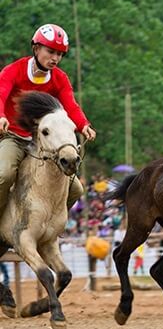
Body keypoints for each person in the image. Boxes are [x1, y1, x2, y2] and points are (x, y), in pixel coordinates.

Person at [0, 24, 96, 213]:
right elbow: (0, 94)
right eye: (51, 51)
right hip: (14, 137)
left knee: (76, 189)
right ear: (36, 48)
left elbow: (71, 105)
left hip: (43, 143)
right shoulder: (14, 70)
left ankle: (50, 229)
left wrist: (84, 125)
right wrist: (1, 116)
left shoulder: (60, 78)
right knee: (4, 174)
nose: (55, 58)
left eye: (60, 54)